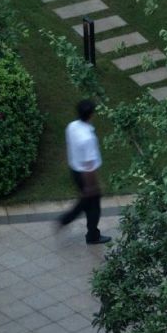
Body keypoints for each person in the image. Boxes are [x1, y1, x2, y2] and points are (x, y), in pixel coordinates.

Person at [57, 99, 111, 245]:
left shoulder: (72, 126)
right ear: (91, 115)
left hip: (75, 171)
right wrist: (92, 186)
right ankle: (92, 235)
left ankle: (65, 220)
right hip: (86, 176)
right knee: (93, 205)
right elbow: (89, 167)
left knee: (87, 203)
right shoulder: (88, 138)